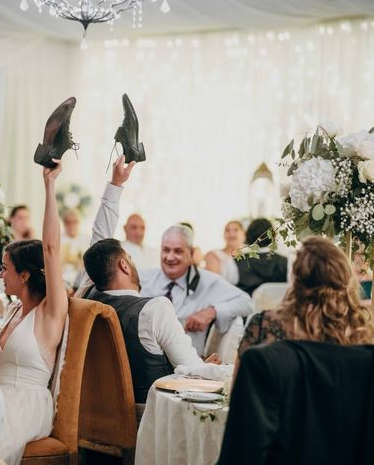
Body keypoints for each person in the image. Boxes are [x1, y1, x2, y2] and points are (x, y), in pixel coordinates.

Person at [79, 156, 227, 404]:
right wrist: (214, 371)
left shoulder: (86, 295)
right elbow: (191, 369)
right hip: (146, 417)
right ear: (124, 265)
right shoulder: (154, 309)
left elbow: (98, 243)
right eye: (130, 258)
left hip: (96, 414)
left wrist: (115, 185)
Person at [0, 160, 69, 465]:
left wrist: (49, 185)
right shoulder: (13, 308)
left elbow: (51, 249)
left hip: (27, 405)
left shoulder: (50, 312)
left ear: (24, 275)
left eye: (5, 268)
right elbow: (0, 370)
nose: (0, 275)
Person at [237, 236, 374, 368]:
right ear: (346, 280)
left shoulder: (263, 326)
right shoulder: (369, 338)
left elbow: (240, 392)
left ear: (295, 279)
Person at [139, 225, 253, 355]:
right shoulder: (142, 279)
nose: (170, 257)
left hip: (186, 368)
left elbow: (247, 303)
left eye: (178, 251)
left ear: (191, 253)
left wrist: (213, 311)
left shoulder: (208, 282)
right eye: (166, 250)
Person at [235, 218, 287, 295]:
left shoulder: (236, 262)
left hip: (246, 306)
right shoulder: (285, 262)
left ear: (248, 235)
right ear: (273, 235)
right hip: (277, 306)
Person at [204, 220, 245, 285]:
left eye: (236, 230)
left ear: (243, 234)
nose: (231, 234)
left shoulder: (250, 254)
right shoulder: (214, 255)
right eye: (227, 230)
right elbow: (212, 282)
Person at [60, 209, 89, 289]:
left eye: (75, 222)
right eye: (68, 222)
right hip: (63, 280)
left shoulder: (87, 240)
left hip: (83, 280)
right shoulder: (58, 240)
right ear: (64, 224)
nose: (72, 225)